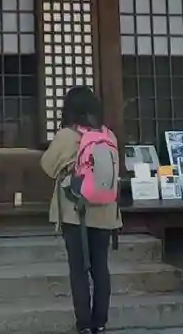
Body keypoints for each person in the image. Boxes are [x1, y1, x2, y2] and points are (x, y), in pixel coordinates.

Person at [41, 85, 121, 334]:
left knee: (78, 269)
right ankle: (101, 322)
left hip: (75, 212)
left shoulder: (67, 136)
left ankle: (84, 324)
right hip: (106, 212)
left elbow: (47, 166)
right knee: (101, 268)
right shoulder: (108, 135)